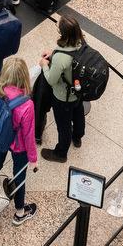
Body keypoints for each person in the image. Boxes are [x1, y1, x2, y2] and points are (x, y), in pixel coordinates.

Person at [0, 55, 39, 224]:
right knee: (19, 175)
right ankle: (20, 212)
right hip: (18, 145)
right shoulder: (26, 104)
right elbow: (28, 135)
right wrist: (33, 159)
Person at [38, 15, 88, 161]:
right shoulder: (81, 43)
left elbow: (52, 80)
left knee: (63, 125)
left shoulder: (61, 58)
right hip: (78, 91)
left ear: (64, 34)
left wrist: (45, 65)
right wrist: (54, 54)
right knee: (78, 113)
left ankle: (60, 153)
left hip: (62, 97)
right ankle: (77, 137)